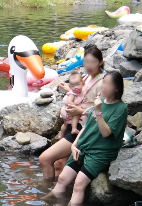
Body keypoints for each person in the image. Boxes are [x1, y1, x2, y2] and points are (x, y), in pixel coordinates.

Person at [45, 71, 128, 206]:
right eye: (104, 82)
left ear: (117, 88)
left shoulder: (120, 108)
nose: (104, 86)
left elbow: (106, 133)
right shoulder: (100, 101)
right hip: (84, 146)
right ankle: (50, 201)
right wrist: (74, 144)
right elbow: (87, 126)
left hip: (100, 153)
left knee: (78, 185)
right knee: (62, 179)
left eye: (109, 84)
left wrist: (98, 111)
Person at [39, 46, 105, 180]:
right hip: (71, 124)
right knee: (59, 164)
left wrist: (79, 111)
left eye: (92, 62)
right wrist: (68, 89)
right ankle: (57, 194)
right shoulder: (86, 77)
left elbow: (103, 110)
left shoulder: (103, 82)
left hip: (83, 128)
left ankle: (45, 192)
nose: (88, 66)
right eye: (86, 62)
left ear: (101, 62)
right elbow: (79, 93)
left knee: (44, 158)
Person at [59, 72, 87, 138]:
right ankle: (73, 128)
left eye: (78, 84)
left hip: (65, 110)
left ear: (83, 83)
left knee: (65, 125)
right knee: (76, 115)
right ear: (70, 87)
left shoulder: (79, 92)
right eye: (73, 86)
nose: (75, 87)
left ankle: (61, 135)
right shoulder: (72, 94)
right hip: (68, 110)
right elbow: (69, 101)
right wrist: (75, 107)